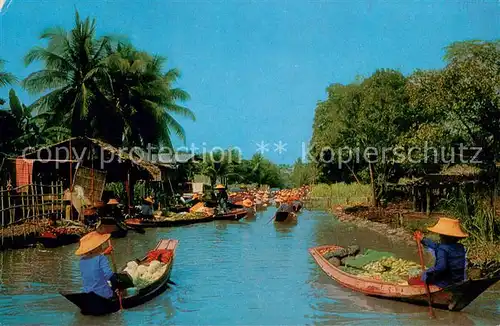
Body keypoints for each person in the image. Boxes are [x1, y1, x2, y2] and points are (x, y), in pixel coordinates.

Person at [411, 217, 468, 288]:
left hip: (445, 282)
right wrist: (423, 239)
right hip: (458, 279)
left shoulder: (442, 249)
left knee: (416, 279)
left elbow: (441, 267)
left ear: (444, 236)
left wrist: (428, 272)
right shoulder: (460, 247)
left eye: (441, 235)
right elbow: (436, 246)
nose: (439, 236)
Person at [76, 231, 124, 299]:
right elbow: (109, 275)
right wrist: (117, 286)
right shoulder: (101, 258)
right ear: (94, 247)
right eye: (99, 245)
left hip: (87, 293)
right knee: (119, 285)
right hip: (103, 294)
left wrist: (104, 253)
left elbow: (93, 263)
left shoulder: (82, 261)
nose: (101, 245)